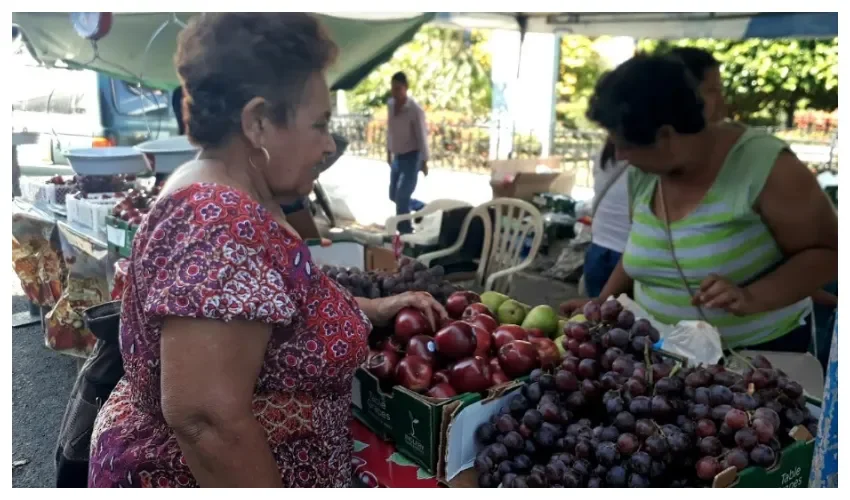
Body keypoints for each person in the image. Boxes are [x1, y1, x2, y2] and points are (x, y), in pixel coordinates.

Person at [88, 13, 447, 488]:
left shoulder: (227, 192)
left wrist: (372, 309)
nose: (327, 146)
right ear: (257, 122)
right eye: (319, 125)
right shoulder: (219, 222)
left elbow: (277, 310)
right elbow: (207, 422)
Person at [561, 54, 837, 353]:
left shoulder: (765, 167)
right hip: (661, 356)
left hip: (757, 360)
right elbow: (639, 248)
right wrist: (602, 304)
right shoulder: (644, 174)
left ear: (666, 135)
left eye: (626, 145)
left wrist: (751, 296)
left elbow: (829, 251)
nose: (621, 156)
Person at [583, 47, 726, 298]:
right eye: (712, 90)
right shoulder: (643, 167)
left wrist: (757, 294)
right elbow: (638, 239)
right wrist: (602, 301)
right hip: (613, 255)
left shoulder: (754, 161)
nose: (721, 101)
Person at [386, 71, 429, 234]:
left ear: (406, 88)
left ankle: (404, 233)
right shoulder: (390, 105)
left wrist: (424, 161)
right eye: (393, 88)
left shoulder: (414, 110)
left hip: (412, 156)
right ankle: (423, 209)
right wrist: (388, 153)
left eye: (398, 89)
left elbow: (421, 136)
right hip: (397, 156)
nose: (395, 92)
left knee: (402, 197)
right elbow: (390, 130)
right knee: (393, 195)